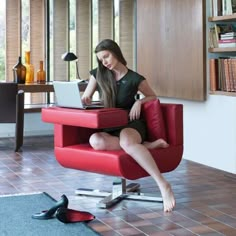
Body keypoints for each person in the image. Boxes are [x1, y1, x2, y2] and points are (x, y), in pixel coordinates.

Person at [81, 39, 175, 212]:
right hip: (109, 125)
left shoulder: (134, 78)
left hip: (130, 123)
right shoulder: (98, 74)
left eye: (106, 56)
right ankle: (146, 146)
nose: (105, 62)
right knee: (95, 141)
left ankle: (163, 185)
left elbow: (152, 96)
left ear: (115, 52)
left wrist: (139, 102)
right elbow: (86, 97)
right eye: (101, 60)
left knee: (126, 141)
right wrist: (85, 99)